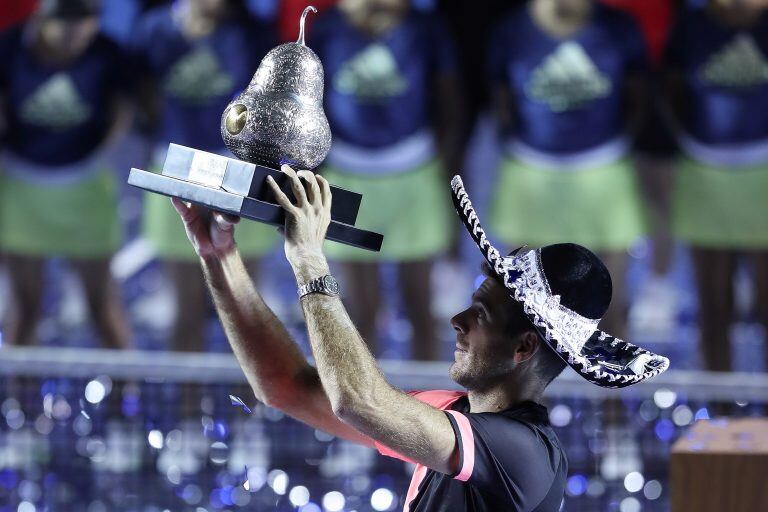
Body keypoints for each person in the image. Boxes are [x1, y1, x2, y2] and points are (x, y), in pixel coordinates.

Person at [171, 166, 669, 511]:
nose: (457, 319)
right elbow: (287, 387)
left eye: (481, 313)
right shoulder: (455, 415)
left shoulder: (523, 452)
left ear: (523, 348)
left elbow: (357, 401)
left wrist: (310, 261)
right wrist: (219, 256)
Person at [308, 0, 464, 360]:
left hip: (414, 174)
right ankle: (366, 411)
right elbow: (310, 100)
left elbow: (449, 100)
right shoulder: (327, 28)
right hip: (346, 175)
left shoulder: (426, 27)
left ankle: (426, 409)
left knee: (420, 307)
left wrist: (444, 167)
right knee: (360, 312)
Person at [487, 0, 650, 340]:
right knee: (525, 314)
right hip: (530, 175)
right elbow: (501, 101)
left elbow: (639, 96)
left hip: (604, 173)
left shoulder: (619, 27)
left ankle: (611, 394)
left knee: (611, 311)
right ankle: (528, 395)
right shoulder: (509, 30)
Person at [131, 0, 277, 352]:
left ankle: (253, 406)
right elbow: (139, 96)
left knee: (246, 309)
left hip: (239, 171)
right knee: (187, 310)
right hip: (175, 171)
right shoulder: (153, 30)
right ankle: (187, 407)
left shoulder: (253, 32)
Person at [0, 0, 131, 348]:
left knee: (101, 306)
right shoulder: (9, 48)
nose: (74, 32)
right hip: (20, 188)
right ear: (42, 17)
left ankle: (123, 401)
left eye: (86, 21)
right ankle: (19, 401)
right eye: (65, 20)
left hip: (85, 186)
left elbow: (124, 110)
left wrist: (99, 152)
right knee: (25, 307)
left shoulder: (108, 54)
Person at [665, 0, 768, 372]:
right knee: (713, 306)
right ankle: (723, 418)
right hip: (705, 174)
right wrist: (697, 144)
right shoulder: (691, 26)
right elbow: (670, 91)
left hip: (764, 174)